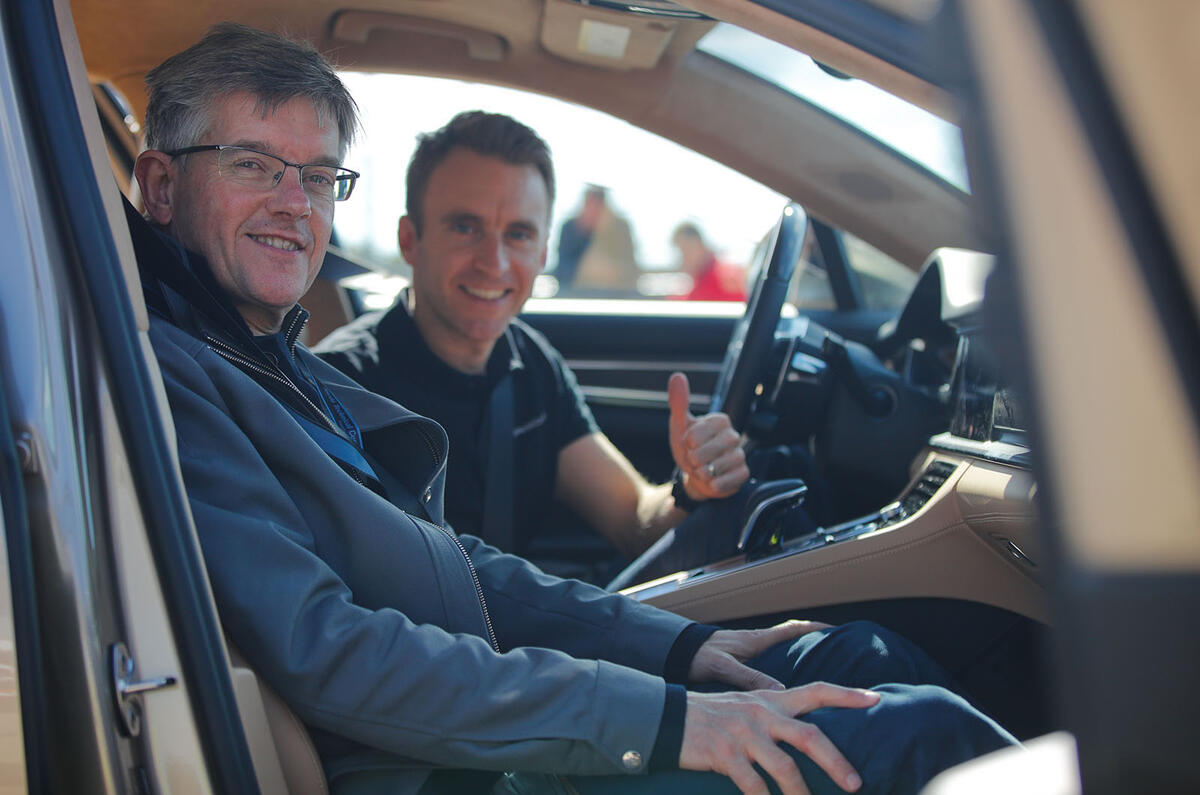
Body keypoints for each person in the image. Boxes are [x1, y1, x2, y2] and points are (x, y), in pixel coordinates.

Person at [134, 22, 1018, 795]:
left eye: (319, 176)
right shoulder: (179, 376)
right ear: (161, 186)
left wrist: (681, 650)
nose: (294, 201)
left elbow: (463, 568)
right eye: (254, 165)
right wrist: (666, 715)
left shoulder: (277, 368)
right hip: (446, 764)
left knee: (860, 658)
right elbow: (337, 651)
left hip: (499, 710)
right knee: (918, 728)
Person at [315, 112, 751, 581]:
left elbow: (633, 521)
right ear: (410, 240)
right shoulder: (338, 388)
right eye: (466, 227)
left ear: (542, 254)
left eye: (518, 235)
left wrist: (691, 487)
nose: (494, 263)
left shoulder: (531, 365)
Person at [554, 183, 639, 296]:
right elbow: (562, 270)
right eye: (590, 203)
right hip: (576, 294)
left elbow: (630, 269)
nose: (594, 209)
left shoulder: (620, 228)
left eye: (598, 204)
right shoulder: (571, 228)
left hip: (615, 295)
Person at [673, 221, 748, 302]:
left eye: (686, 250)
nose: (683, 259)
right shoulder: (696, 283)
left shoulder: (726, 278)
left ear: (700, 245)